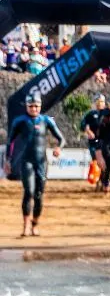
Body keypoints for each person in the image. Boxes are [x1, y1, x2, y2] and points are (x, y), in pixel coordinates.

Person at [5, 94, 65, 236]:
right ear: (26, 106)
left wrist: (58, 148)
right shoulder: (20, 121)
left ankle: (34, 224)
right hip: (27, 162)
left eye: (36, 106)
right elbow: (10, 142)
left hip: (41, 162)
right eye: (31, 106)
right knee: (29, 192)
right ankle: (25, 225)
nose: (34, 108)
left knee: (39, 195)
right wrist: (8, 160)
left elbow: (61, 139)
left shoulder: (46, 120)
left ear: (40, 106)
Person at [80, 94, 108, 163]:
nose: (100, 103)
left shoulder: (108, 113)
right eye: (98, 101)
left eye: (102, 101)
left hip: (105, 143)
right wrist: (88, 131)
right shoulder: (90, 114)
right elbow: (83, 124)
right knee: (96, 163)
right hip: (94, 143)